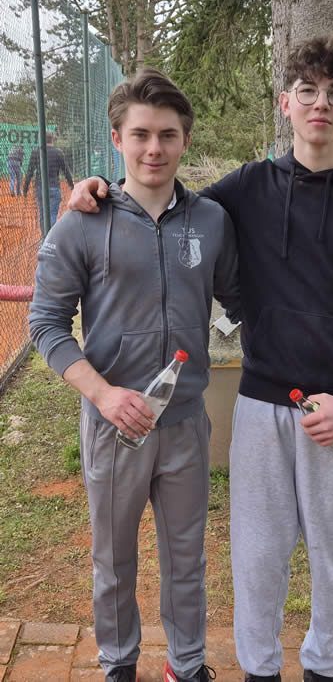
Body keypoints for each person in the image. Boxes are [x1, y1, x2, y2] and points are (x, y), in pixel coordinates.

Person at [67, 35, 333, 682]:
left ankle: (324, 669)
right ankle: (259, 670)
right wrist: (102, 189)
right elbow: (167, 201)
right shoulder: (248, 189)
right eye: (307, 91)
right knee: (257, 560)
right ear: (285, 103)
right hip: (261, 406)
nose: (320, 104)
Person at [29, 69, 240, 682]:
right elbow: (45, 324)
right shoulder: (82, 221)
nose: (154, 149)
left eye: (168, 135)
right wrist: (102, 394)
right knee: (114, 560)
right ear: (118, 139)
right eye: (141, 134)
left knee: (186, 558)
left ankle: (187, 664)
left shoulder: (211, 221)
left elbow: (245, 302)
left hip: (186, 425)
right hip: (113, 427)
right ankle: (118, 663)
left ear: (185, 141)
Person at [23, 130, 74, 235]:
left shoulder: (36, 152)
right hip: (54, 187)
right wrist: (71, 184)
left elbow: (30, 172)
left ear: (41, 139)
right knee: (52, 214)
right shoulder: (58, 152)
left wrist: (25, 187)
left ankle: (44, 237)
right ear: (52, 139)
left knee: (43, 214)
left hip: (40, 187)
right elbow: (66, 170)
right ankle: (51, 238)